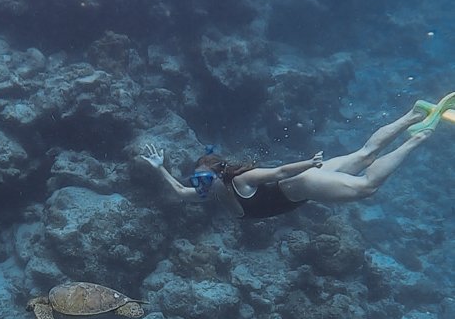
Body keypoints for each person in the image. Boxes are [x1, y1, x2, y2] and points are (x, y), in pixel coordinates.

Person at [139, 108, 430, 219]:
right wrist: (159, 167)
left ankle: (417, 138)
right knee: (364, 155)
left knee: (367, 187)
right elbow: (178, 191)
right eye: (197, 180)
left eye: (203, 179)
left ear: (219, 173)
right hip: (303, 182)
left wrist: (309, 163)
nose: (199, 185)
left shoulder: (240, 180)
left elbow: (278, 171)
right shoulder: (212, 191)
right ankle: (413, 116)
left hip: (306, 181)